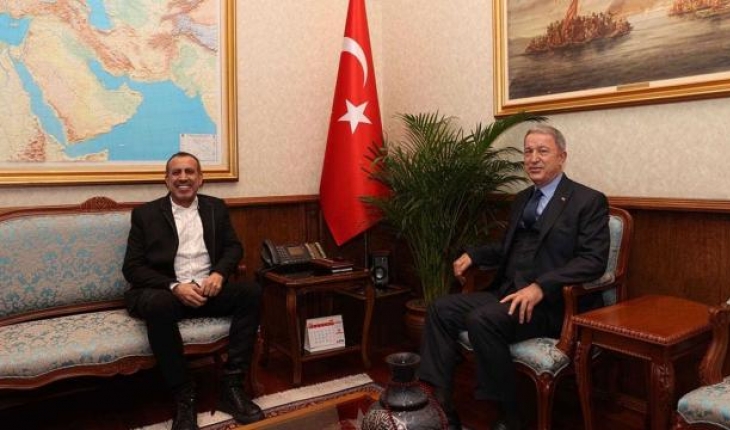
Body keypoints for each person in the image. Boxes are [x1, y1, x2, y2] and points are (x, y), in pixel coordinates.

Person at [418, 124, 610, 430]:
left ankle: (510, 416)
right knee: (440, 308)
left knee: (482, 319)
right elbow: (509, 247)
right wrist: (475, 255)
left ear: (562, 157)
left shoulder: (587, 201)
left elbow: (593, 261)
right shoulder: (522, 199)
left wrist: (541, 286)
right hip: (507, 293)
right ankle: (441, 407)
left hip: (550, 305)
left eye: (542, 151)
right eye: (528, 151)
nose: (533, 158)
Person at [123, 152, 264, 430]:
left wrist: (219, 273)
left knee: (252, 292)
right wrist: (175, 286)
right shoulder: (145, 214)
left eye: (189, 172)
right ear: (166, 180)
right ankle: (183, 395)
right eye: (176, 172)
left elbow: (233, 247)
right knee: (158, 304)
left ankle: (232, 385)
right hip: (167, 294)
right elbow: (132, 267)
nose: (183, 177)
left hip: (207, 289)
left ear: (200, 179)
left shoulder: (215, 208)